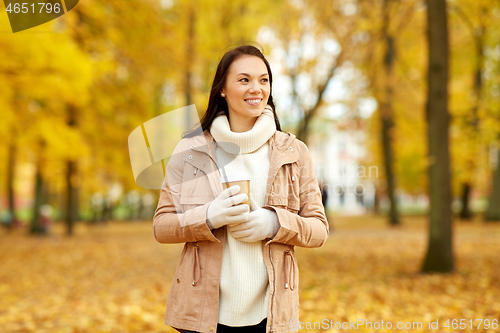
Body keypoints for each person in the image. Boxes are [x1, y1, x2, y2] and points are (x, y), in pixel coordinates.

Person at [153, 44, 329, 333]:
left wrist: (275, 223)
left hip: (270, 315)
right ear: (222, 88)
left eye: (264, 80)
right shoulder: (191, 150)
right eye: (244, 79)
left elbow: (319, 229)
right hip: (202, 315)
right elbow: (162, 226)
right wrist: (207, 217)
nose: (256, 89)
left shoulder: (294, 152)